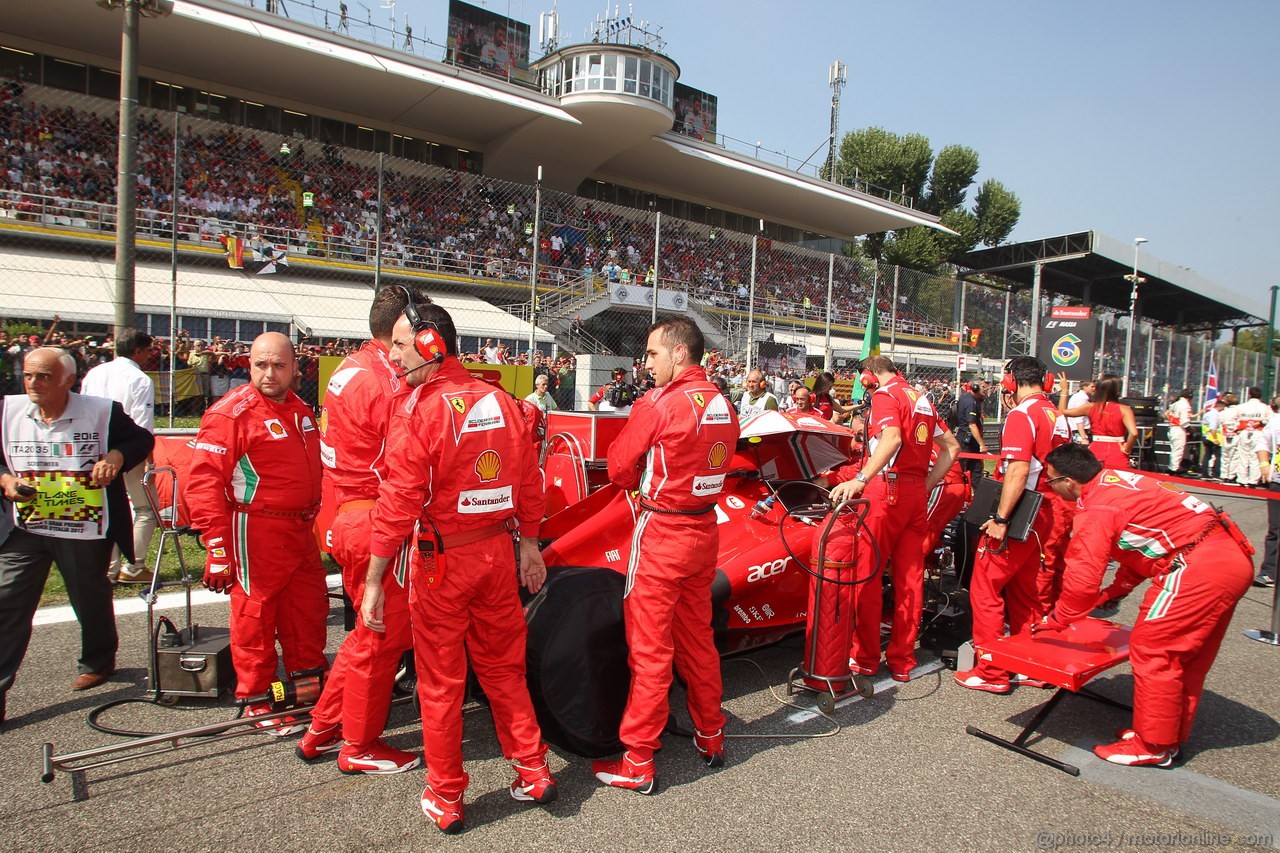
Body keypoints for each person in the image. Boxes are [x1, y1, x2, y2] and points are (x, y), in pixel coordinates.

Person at [365, 301, 555, 834]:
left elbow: (398, 503)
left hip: (441, 561)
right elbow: (529, 485)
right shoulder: (503, 400)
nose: (394, 356)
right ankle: (534, 769)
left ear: (430, 346)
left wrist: (375, 581)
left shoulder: (418, 408)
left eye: (402, 345)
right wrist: (531, 545)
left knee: (442, 683)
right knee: (503, 670)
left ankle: (446, 796)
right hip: (497, 554)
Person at [1035, 444, 1255, 767]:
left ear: (1069, 482)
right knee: (1186, 657)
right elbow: (1140, 546)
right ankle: (1167, 734)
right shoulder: (1118, 480)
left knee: (1154, 649)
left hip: (1197, 565)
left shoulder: (1096, 508)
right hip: (1228, 557)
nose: (1048, 486)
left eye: (1050, 481)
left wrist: (1058, 618)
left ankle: (1152, 744)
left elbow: (1081, 583)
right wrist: (1115, 591)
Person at [594, 316, 740, 793]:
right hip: (704, 532)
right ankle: (712, 734)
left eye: (653, 354)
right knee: (698, 640)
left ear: (680, 354)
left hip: (661, 531)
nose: (647, 363)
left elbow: (617, 468)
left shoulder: (659, 403)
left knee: (650, 650)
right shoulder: (723, 402)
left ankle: (638, 759)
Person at [295, 288, 420, 775]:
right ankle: (360, 746)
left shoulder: (347, 368)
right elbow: (409, 460)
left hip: (346, 512)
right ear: (399, 332)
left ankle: (322, 728)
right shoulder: (385, 382)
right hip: (375, 517)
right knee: (381, 638)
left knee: (364, 637)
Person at [0, 348, 153, 725]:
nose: (34, 383)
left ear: (69, 380)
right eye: (29, 375)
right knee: (6, 601)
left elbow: (140, 441)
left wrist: (116, 458)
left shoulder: (102, 411)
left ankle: (98, 660)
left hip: (82, 524)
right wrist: (5, 480)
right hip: (27, 524)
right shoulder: (7, 410)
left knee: (89, 595)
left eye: (45, 376)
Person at [185, 332, 327, 734]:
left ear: (295, 368)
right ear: (248, 364)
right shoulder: (231, 413)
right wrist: (216, 546)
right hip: (256, 527)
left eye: (279, 365)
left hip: (301, 530)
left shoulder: (300, 409)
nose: (270, 373)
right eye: (261, 365)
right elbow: (203, 483)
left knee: (307, 610)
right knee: (255, 615)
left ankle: (307, 690)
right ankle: (257, 699)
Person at [826, 356, 959, 681]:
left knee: (868, 575)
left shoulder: (885, 396)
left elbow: (892, 438)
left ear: (870, 376)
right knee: (911, 579)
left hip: (886, 491)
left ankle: (867, 657)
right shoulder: (922, 398)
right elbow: (951, 447)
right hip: (914, 494)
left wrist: (861, 478)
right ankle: (902, 661)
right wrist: (924, 486)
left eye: (863, 381)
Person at [955, 356, 1069, 693]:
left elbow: (1017, 470)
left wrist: (1001, 518)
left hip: (1020, 510)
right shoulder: (1055, 414)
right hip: (1045, 510)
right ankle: (1029, 665)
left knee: (986, 588)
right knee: (1026, 591)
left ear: (1010, 381)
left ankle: (992, 671)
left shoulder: (1023, 414)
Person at [79, 328, 157, 584]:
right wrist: (147, 460)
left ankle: (108, 569)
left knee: (107, 509)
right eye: (147, 350)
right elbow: (142, 424)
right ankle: (134, 567)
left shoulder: (95, 372)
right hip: (127, 449)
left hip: (94, 448)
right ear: (137, 351)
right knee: (146, 509)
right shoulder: (140, 379)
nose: (149, 355)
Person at [1058, 374, 1135, 469]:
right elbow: (1134, 433)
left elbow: (1062, 411)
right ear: (1118, 390)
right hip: (1117, 451)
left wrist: (1064, 391)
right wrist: (1127, 449)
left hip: (1096, 449)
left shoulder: (1091, 407)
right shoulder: (1125, 409)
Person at [1252, 398, 1280, 588]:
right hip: (1278, 482)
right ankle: (1269, 572)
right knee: (1275, 530)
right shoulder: (1277, 421)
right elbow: (1262, 441)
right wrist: (1264, 465)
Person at [1228, 387, 1270, 486]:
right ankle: (1253, 480)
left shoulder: (1241, 407)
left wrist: (1235, 428)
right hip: (1258, 432)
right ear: (1260, 396)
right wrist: (1260, 423)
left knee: (1243, 457)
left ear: (1249, 395)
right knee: (1255, 457)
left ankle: (1242, 479)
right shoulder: (1265, 407)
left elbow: (1230, 420)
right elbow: (1269, 419)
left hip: (1244, 432)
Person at [954, 379, 990, 481]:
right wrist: (982, 445)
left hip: (969, 440)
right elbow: (972, 425)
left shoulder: (970, 399)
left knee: (976, 472)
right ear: (975, 387)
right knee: (964, 472)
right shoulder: (970, 402)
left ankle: (978, 495)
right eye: (983, 387)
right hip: (967, 441)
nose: (986, 389)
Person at [1164, 388, 1193, 474]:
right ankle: (1174, 469)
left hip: (1172, 429)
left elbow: (1167, 413)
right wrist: (1190, 430)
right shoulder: (1185, 405)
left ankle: (1172, 467)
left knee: (1174, 450)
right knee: (1178, 450)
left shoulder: (1176, 403)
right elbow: (1184, 422)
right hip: (1179, 429)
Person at [1065, 379, 1096, 444]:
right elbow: (1079, 419)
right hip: (1080, 431)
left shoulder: (1081, 397)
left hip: (1079, 430)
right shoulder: (1081, 398)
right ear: (1084, 387)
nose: (1094, 389)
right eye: (1092, 387)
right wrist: (1083, 437)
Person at [1200, 399, 1224, 480]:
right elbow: (1213, 428)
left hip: (1205, 436)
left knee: (1207, 455)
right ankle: (1216, 474)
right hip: (1212, 437)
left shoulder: (1208, 413)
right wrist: (1215, 439)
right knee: (1218, 455)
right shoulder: (1215, 415)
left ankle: (1204, 473)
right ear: (1220, 407)